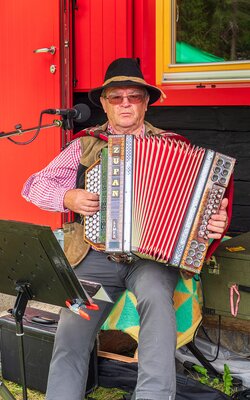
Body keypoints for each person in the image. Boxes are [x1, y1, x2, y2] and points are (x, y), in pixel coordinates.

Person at [22, 58, 230, 400]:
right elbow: (33, 186)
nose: (125, 104)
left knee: (156, 302)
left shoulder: (176, 147)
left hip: (150, 260)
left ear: (146, 102)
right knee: (73, 325)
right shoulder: (85, 144)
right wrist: (68, 196)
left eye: (134, 97)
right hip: (96, 259)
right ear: (103, 103)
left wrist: (212, 224)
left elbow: (201, 211)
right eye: (116, 97)